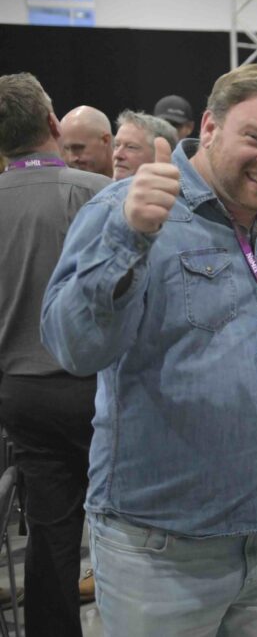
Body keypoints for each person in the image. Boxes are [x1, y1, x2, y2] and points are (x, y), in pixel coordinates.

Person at [41, 64, 257, 635]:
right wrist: (128, 236)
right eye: (255, 138)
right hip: (162, 552)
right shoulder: (128, 209)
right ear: (212, 127)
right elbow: (72, 346)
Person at [0, 73, 110, 637]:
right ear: (52, 124)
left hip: (20, 394)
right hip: (97, 389)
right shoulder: (96, 194)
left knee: (49, 531)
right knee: (123, 526)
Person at [112, 109, 179, 181]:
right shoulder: (99, 187)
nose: (118, 155)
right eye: (117, 145)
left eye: (131, 147)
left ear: (158, 155)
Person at [60, 105, 114, 177]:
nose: (70, 159)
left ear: (105, 140)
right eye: (66, 149)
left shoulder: (131, 184)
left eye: (77, 148)